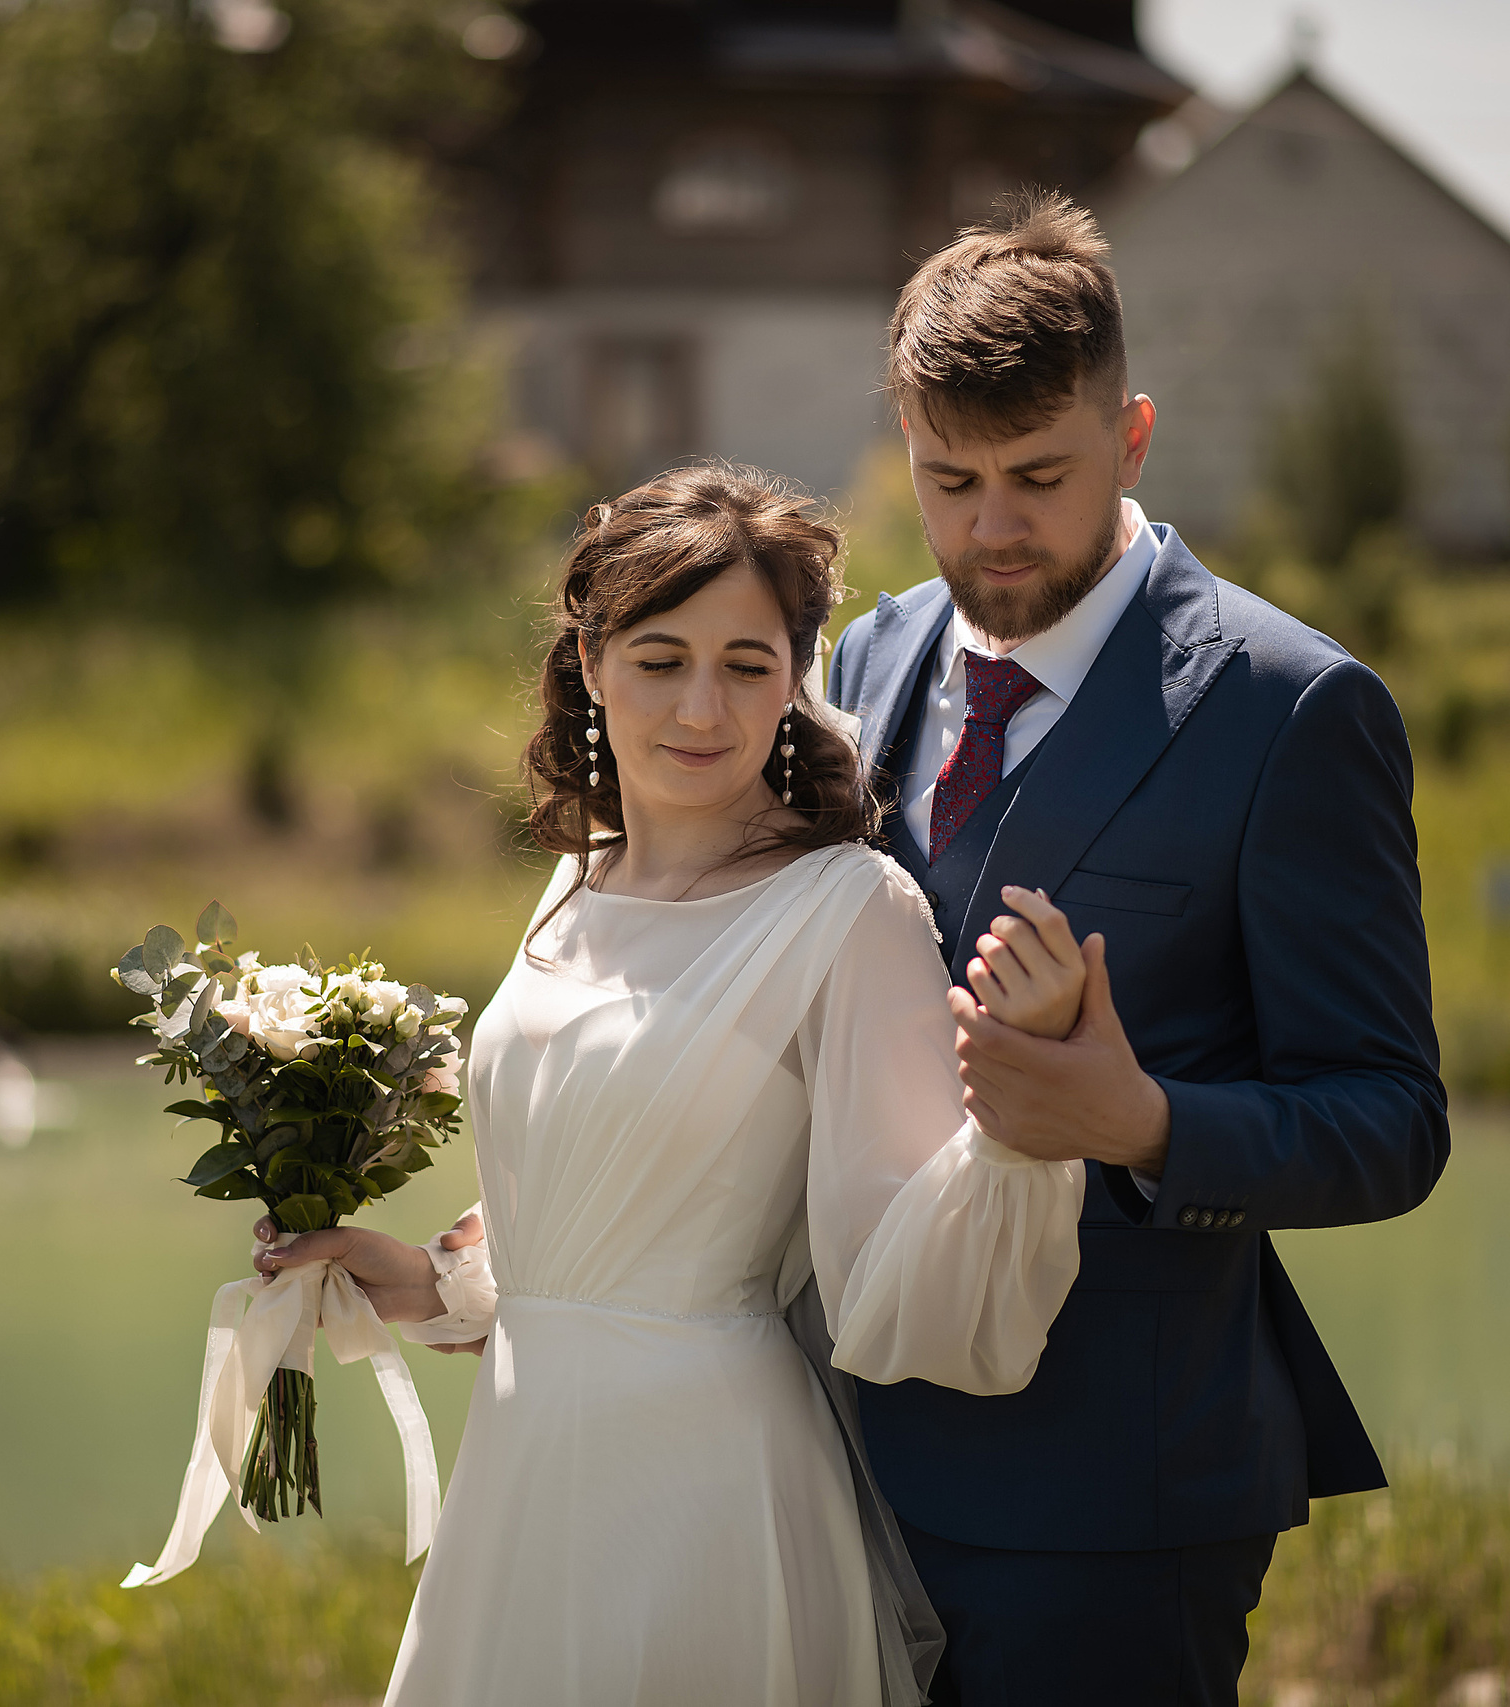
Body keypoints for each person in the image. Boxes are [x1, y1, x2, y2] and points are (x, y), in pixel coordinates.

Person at [263, 461, 1102, 1706]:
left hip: (706, 1490)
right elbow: (609, 1202)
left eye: (746, 665)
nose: (702, 708)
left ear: (794, 681)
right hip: (523, 1473)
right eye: (661, 660)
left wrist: (1028, 1117)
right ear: (591, 667)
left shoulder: (848, 911)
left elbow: (902, 1275)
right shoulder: (576, 883)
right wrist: (444, 1285)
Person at [822, 191, 1450, 1704]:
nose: (992, 526)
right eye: (949, 477)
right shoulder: (863, 653)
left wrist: (1144, 1120)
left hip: (1114, 1497)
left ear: (1135, 435)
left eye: (1040, 474)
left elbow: (1390, 1121)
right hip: (839, 1456)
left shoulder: (1292, 710)